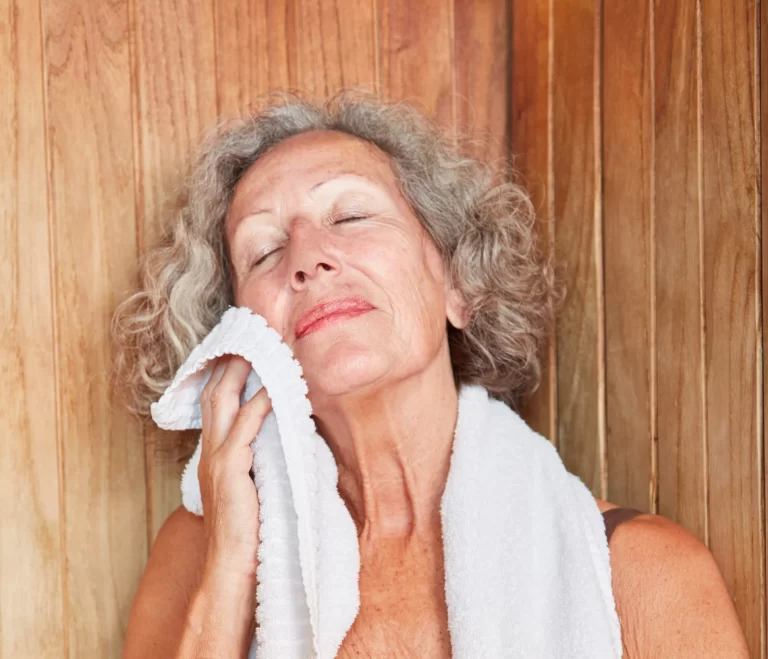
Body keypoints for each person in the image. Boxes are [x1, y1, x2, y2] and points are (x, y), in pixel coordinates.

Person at [113, 92, 748, 658]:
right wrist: (229, 569)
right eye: (265, 251)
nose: (306, 258)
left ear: (460, 284)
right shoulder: (197, 558)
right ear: (240, 342)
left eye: (351, 216)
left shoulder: (643, 577)